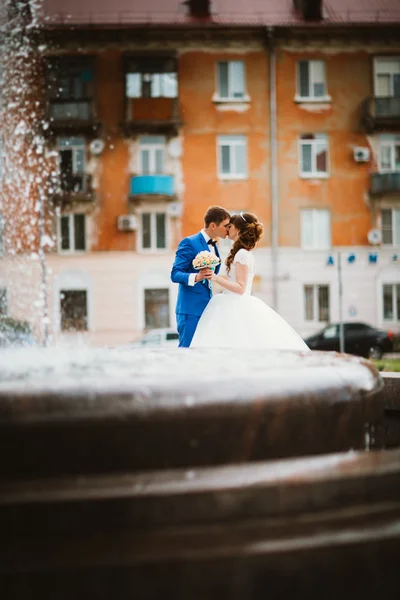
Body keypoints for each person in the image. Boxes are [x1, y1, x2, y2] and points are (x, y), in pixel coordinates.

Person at [190, 211, 310, 350]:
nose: (227, 229)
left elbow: (241, 288)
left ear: (238, 229)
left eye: (231, 226)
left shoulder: (242, 254)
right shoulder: (240, 252)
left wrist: (216, 278)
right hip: (231, 300)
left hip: (236, 303)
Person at [171, 205, 231, 347]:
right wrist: (196, 277)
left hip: (207, 309)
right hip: (190, 310)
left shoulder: (215, 246)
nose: (228, 230)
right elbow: (175, 274)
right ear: (213, 225)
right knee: (187, 351)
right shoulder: (189, 243)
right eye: (225, 226)